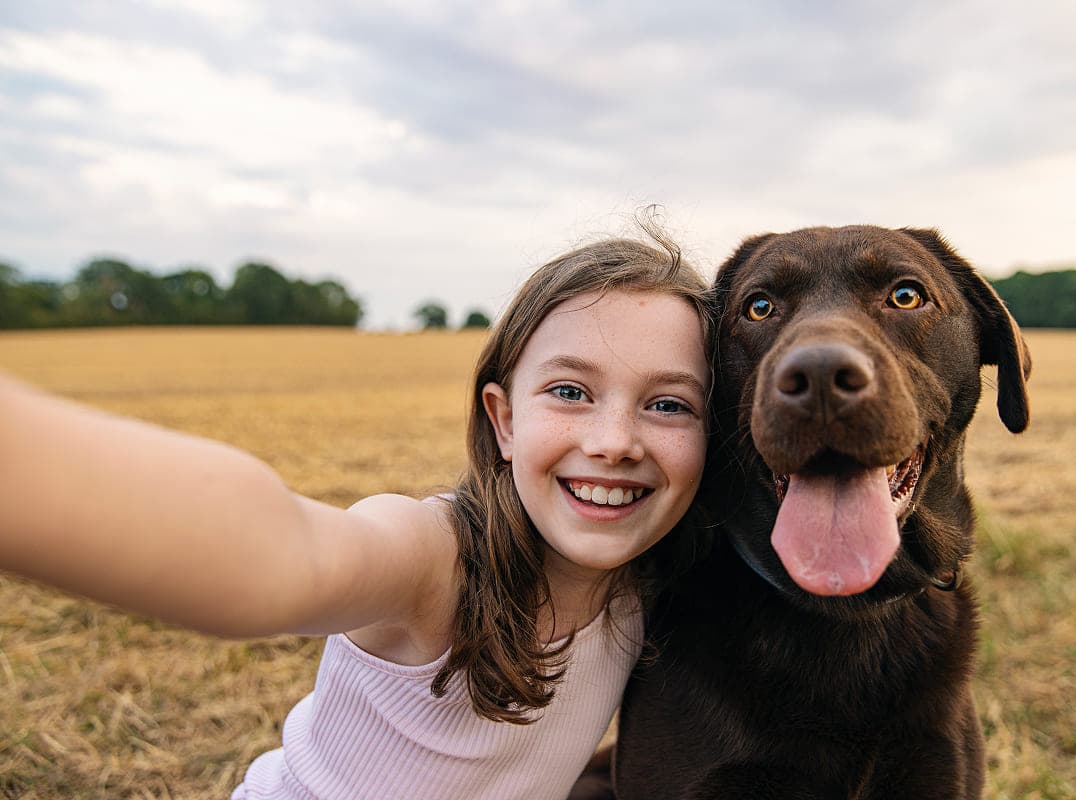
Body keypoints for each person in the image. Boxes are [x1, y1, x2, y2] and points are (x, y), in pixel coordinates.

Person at [0, 234, 713, 799]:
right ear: (503, 420)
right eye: (569, 390)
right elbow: (281, 552)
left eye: (669, 405)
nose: (615, 442)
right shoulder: (432, 560)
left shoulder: (649, 586)